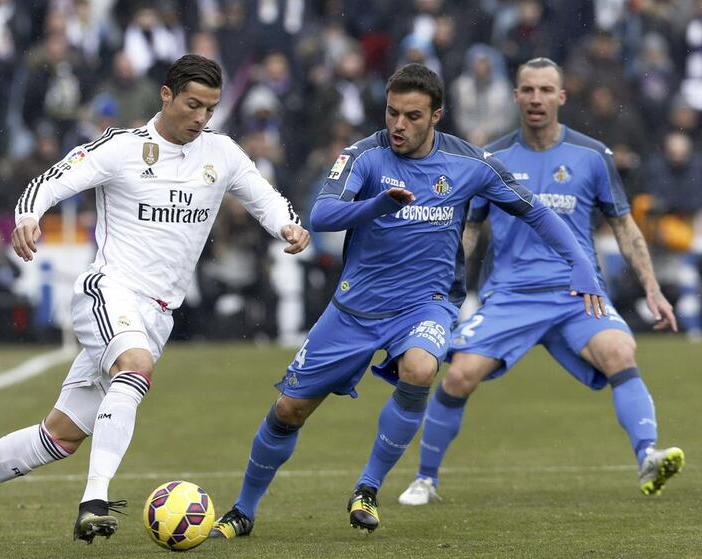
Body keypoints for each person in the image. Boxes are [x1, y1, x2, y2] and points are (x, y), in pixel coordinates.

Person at [0, 54, 310, 554]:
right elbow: (52, 179)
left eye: (211, 108)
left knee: (59, 437)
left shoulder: (221, 154)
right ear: (166, 95)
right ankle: (94, 500)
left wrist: (288, 226)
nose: (201, 117)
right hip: (109, 290)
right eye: (192, 104)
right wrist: (29, 215)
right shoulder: (122, 147)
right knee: (135, 369)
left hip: (157, 315)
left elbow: (266, 198)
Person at [210, 62, 604, 539]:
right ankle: (244, 509)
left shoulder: (471, 164)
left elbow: (535, 212)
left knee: (420, 368)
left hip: (427, 304)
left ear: (436, 115)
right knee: (290, 410)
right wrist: (379, 204)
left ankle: (368, 488)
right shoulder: (364, 156)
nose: (399, 125)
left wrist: (579, 261)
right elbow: (323, 214)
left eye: (413, 116)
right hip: (355, 308)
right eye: (393, 113)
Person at [398, 57, 684, 508]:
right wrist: (439, 289)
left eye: (545, 90)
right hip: (511, 295)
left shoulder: (593, 156)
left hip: (577, 295)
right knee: (458, 375)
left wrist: (651, 287)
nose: (536, 98)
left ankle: (648, 454)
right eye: (528, 90)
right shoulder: (490, 159)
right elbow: (469, 230)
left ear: (561, 97)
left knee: (620, 351)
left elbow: (626, 227)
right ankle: (425, 478)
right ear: (515, 97)